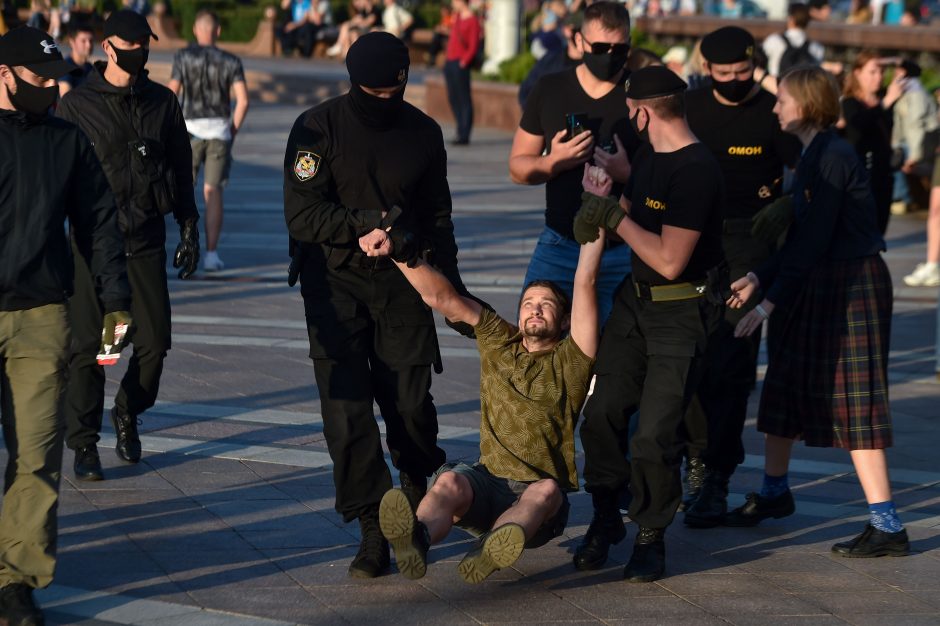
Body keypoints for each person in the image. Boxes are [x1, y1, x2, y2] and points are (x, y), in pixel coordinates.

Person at [282, 32, 469, 579]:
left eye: (393, 91)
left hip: (403, 280)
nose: (383, 100)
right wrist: (360, 226)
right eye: (372, 92)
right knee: (347, 411)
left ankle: (413, 495)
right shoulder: (317, 127)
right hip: (333, 284)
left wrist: (453, 291)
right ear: (352, 82)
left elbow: (438, 216)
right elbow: (302, 215)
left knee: (409, 402)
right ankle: (371, 525)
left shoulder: (424, 133)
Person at [724, 66, 910, 560]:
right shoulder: (813, 154)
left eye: (782, 98)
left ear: (804, 104)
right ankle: (774, 492)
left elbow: (813, 240)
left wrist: (766, 302)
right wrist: (761, 276)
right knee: (785, 380)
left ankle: (887, 524)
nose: (775, 106)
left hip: (852, 284)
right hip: (822, 279)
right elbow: (801, 239)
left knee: (855, 399)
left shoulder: (833, 155)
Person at [375, 203, 603, 583]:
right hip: (487, 481)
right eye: (529, 303)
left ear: (564, 321)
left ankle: (495, 546)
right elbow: (444, 299)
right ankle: (416, 540)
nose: (535, 310)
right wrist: (398, 253)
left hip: (536, 504)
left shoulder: (572, 360)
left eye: (546, 306)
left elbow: (586, 283)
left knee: (546, 490)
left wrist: (594, 230)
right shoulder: (500, 340)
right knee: (448, 482)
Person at [572, 65, 725, 583]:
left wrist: (613, 213)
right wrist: (607, 195)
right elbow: (635, 223)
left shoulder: (697, 167)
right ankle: (604, 516)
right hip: (634, 307)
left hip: (680, 312)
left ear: (642, 112)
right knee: (601, 415)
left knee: (655, 435)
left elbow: (669, 260)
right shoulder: (647, 157)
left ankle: (650, 533)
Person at [0, 26, 130, 625]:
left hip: (40, 316)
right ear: (3, 74)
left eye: (55, 81)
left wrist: (116, 300)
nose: (49, 92)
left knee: (36, 452)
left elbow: (100, 223)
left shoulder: (66, 143)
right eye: (36, 80)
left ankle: (15, 580)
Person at [57, 9, 200, 482]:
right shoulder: (77, 106)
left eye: (146, 43)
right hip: (93, 248)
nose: (141, 51)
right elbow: (60, 178)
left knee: (155, 343)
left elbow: (181, 164)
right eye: (133, 44)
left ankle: (127, 408)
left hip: (144, 243)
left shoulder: (162, 102)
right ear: (108, 47)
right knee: (92, 349)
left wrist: (189, 224)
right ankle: (83, 444)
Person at [681, 26, 801, 528]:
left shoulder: (773, 112)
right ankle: (690, 460)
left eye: (743, 73)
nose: (735, 82)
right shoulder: (690, 107)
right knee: (688, 357)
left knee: (731, 366)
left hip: (750, 244)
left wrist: (789, 204)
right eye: (724, 75)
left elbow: (808, 171)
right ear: (706, 70)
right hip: (690, 242)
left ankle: (716, 475)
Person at [510, 1, 638, 325]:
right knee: (535, 348)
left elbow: (672, 173)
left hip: (623, 248)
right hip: (560, 245)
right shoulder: (550, 88)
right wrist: (554, 161)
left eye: (618, 48)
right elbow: (517, 168)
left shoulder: (640, 94)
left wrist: (628, 173)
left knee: (617, 362)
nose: (608, 56)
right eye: (599, 47)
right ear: (579, 41)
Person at [168, 9, 249, 273]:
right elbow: (243, 100)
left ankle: (185, 243)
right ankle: (212, 255)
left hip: (189, 130)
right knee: (213, 192)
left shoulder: (182, 57)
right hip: (219, 132)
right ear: (218, 31)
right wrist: (232, 130)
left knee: (184, 190)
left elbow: (171, 94)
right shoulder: (230, 61)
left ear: (195, 30)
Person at [839, 49, 906, 235]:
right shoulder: (850, 102)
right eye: (872, 72)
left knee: (878, 232)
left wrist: (896, 61)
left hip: (884, 172)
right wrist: (886, 102)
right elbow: (857, 126)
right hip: (861, 174)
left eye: (881, 71)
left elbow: (913, 72)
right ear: (857, 73)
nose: (878, 77)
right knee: (859, 231)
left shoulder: (885, 94)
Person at [518, 11, 583, 108]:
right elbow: (526, 92)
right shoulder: (550, 61)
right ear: (567, 30)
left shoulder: (597, 63)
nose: (584, 36)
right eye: (581, 30)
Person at [443, 0, 480, 146]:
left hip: (460, 63)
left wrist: (464, 61)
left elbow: (474, 45)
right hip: (450, 61)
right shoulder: (457, 17)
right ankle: (459, 129)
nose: (453, 3)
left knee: (464, 98)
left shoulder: (473, 20)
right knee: (453, 97)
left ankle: (465, 134)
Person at [762, 3, 824, 78]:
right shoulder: (816, 47)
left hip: (777, 86)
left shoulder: (774, 40)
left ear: (791, 19)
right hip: (804, 88)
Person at [58, 20, 94, 96]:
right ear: (72, 42)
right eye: (83, 41)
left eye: (90, 41)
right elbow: (66, 103)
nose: (89, 45)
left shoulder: (90, 68)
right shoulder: (65, 68)